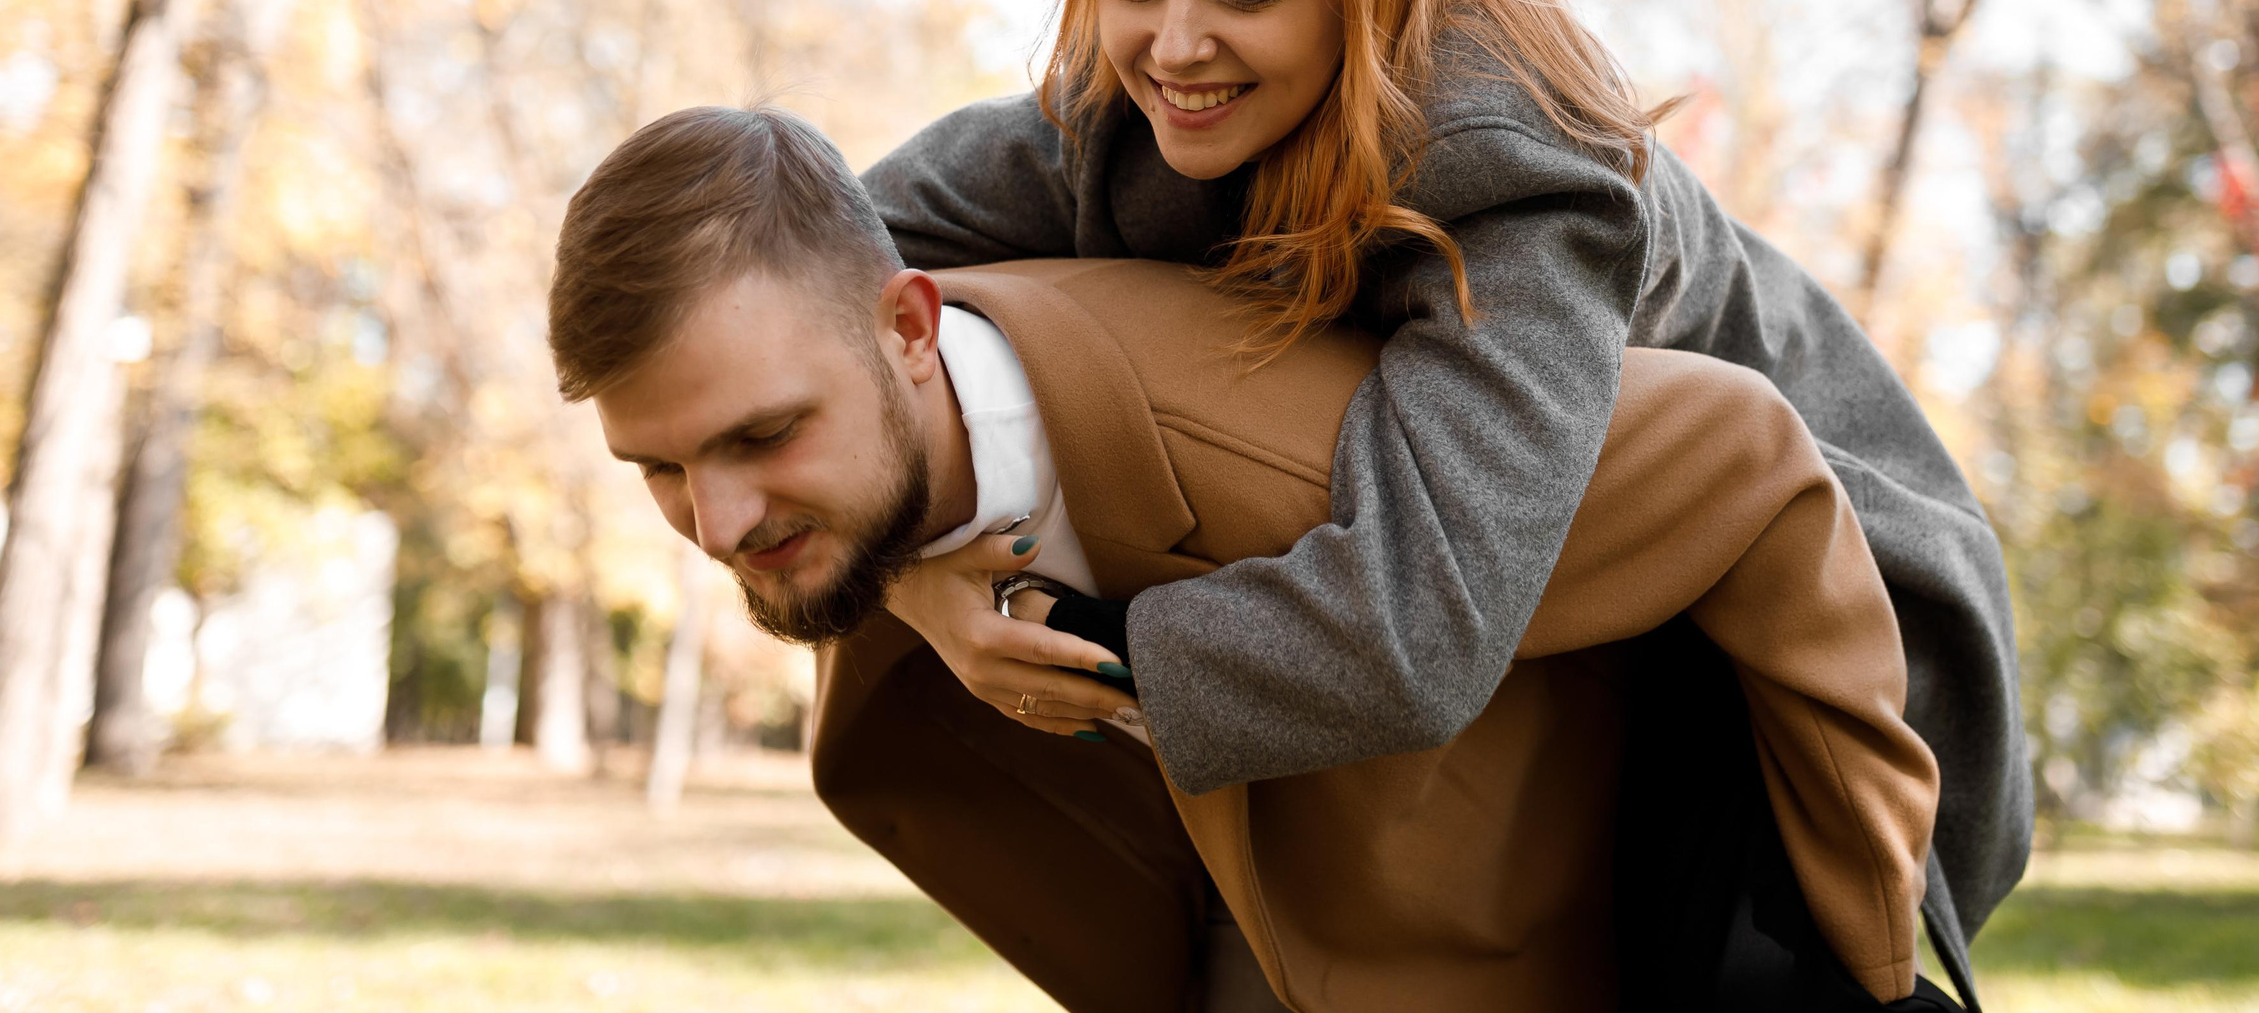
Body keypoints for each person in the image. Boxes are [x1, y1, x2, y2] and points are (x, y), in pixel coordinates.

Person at [862, 0, 2025, 989]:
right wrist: (910, 584)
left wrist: (1070, 642)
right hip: (1542, 560)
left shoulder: (1508, 163)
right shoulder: (1115, 116)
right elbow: (810, 276)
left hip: (1792, 606)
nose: (1176, 45)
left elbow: (1415, 630)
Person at [546, 104, 1960, 1012]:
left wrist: (1854, 957)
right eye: (660, 469)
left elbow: (1742, 449)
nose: (718, 525)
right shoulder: (860, 482)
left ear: (912, 329)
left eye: (759, 437)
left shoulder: (1299, 441)